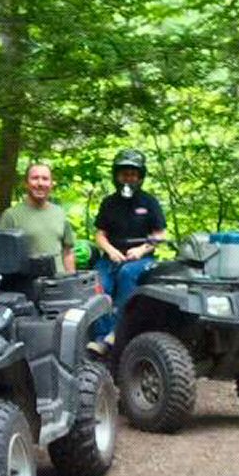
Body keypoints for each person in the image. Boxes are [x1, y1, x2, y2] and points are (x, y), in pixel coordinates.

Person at [88, 148, 167, 354]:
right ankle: (101, 337)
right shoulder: (109, 202)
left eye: (132, 174)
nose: (128, 178)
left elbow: (159, 234)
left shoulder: (149, 202)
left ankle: (118, 332)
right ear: (116, 175)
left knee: (127, 274)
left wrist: (141, 250)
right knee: (97, 283)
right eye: (124, 173)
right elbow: (99, 234)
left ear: (140, 176)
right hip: (111, 257)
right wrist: (111, 250)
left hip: (140, 260)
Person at [0, 162, 76, 274]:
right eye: (35, 178)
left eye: (45, 179)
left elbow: (68, 252)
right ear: (26, 183)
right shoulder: (11, 215)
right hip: (26, 285)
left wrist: (72, 281)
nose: (40, 183)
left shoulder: (59, 213)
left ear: (51, 184)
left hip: (59, 283)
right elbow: (2, 255)